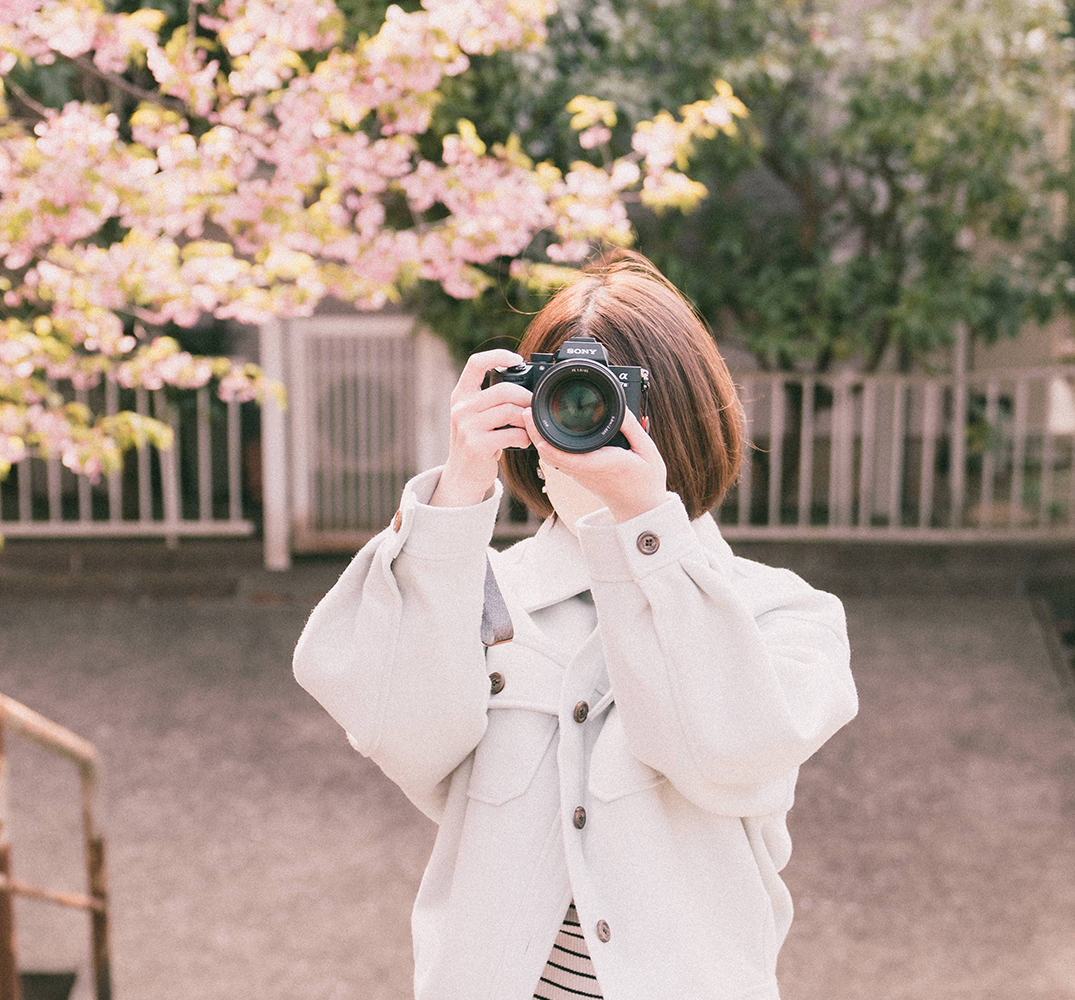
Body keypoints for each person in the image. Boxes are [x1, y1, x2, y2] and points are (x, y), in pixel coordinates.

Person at [293, 249, 857, 1000]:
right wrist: (456, 496)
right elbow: (399, 735)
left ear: (679, 419)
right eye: (565, 398)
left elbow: (727, 755)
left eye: (608, 403)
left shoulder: (781, 614)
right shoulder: (474, 585)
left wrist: (644, 530)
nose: (587, 422)